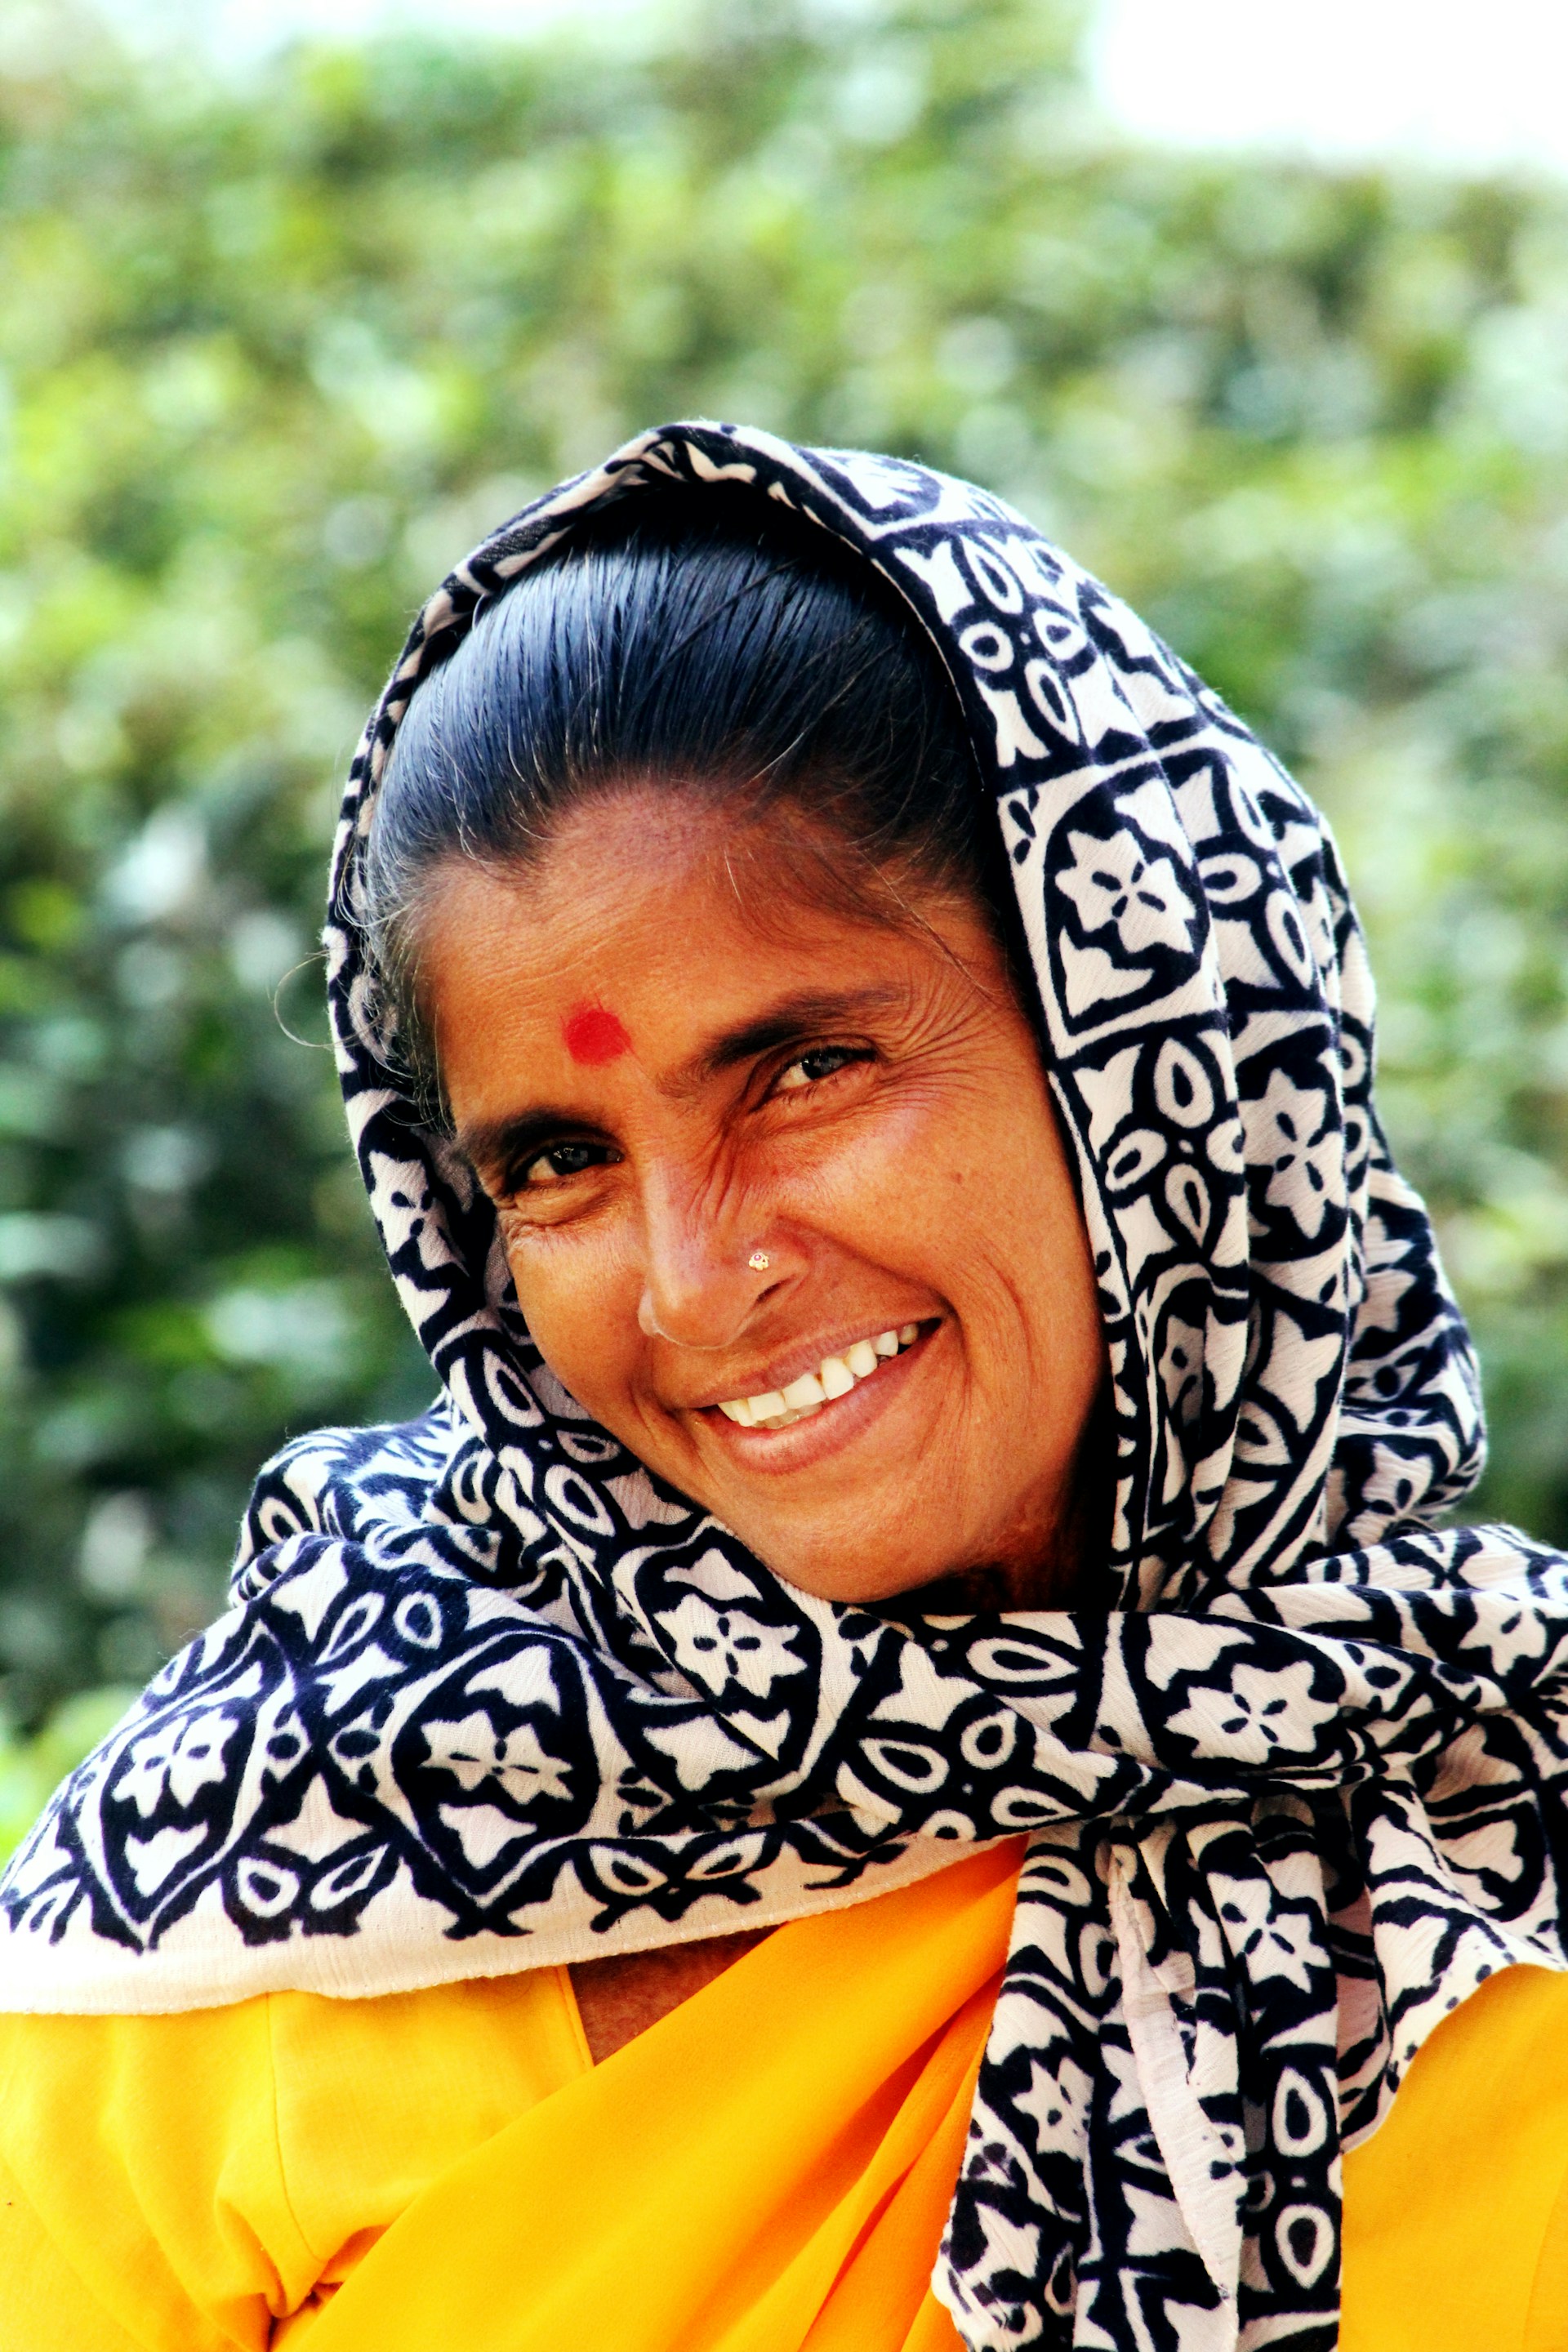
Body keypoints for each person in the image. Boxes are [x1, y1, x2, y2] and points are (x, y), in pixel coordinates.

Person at [1, 421, 1566, 2352]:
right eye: (556, 1162)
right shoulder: (285, 1854)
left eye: (807, 1068)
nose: (693, 1277)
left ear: (1154, 1035)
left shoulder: (1495, 1835)